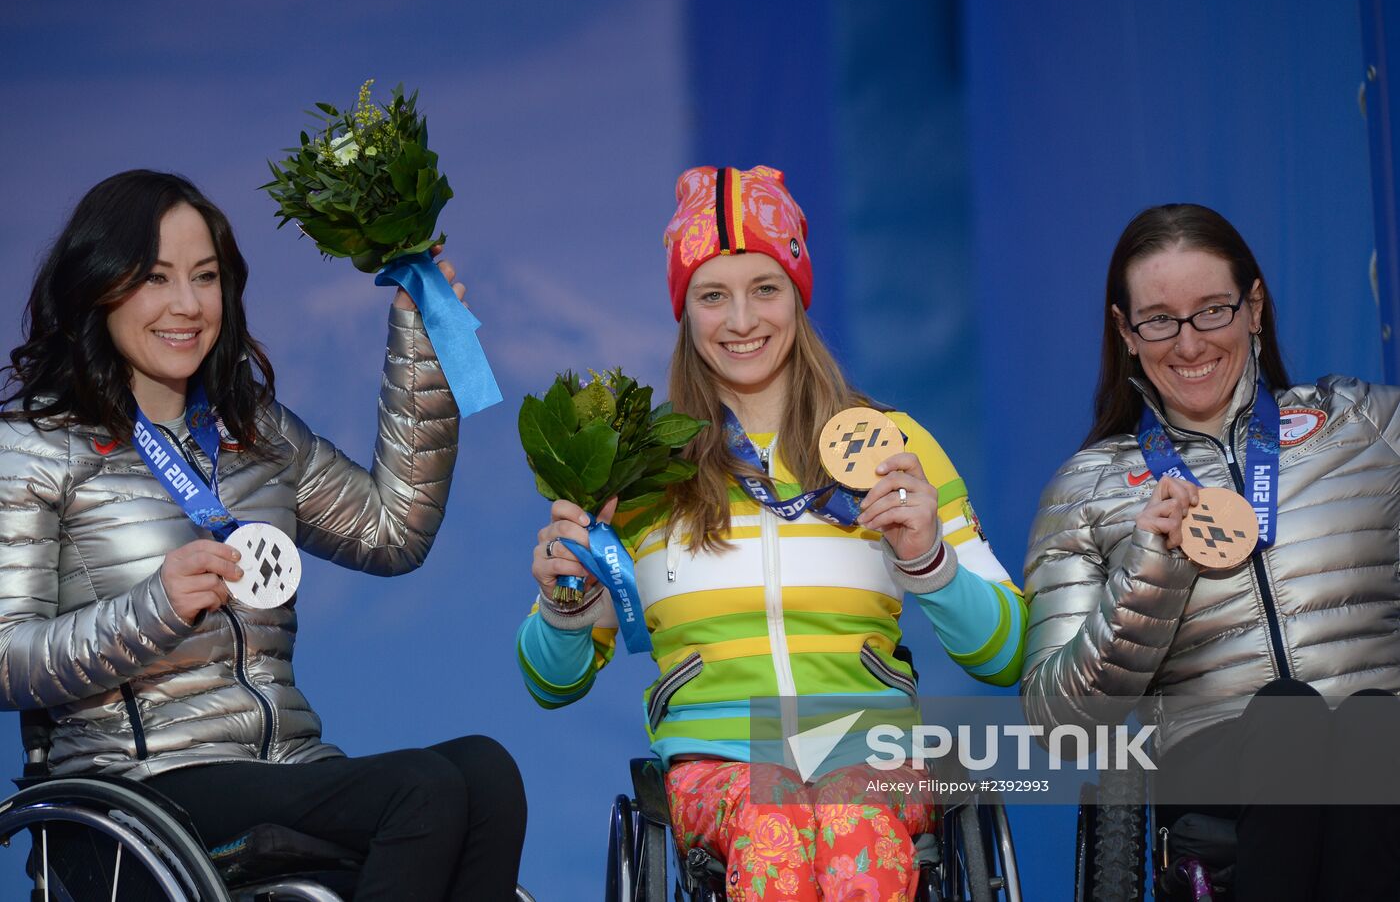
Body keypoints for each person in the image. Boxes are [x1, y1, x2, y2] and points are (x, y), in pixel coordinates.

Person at [0, 170, 525, 900]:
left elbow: (391, 531)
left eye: (206, 277)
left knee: (487, 775)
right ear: (99, 286)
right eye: (156, 277)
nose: (187, 304)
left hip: (285, 765)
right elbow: (5, 656)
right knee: (424, 789)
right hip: (140, 794)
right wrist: (154, 608)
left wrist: (423, 352)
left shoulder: (253, 430)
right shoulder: (35, 447)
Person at [519, 165, 1025, 901]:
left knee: (850, 818)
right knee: (775, 822)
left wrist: (931, 563)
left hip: (869, 754)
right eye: (712, 295)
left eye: (765, 287)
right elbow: (549, 680)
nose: (742, 319)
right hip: (718, 767)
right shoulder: (639, 472)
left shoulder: (892, 445)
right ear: (684, 311)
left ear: (798, 294)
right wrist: (565, 603)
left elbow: (1011, 650)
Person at [1020, 203, 1400, 901]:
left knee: (1373, 720)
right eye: (1160, 319)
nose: (1189, 343)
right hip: (1221, 777)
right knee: (1289, 713)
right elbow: (1059, 725)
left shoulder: (1366, 425)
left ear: (1253, 307)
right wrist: (1150, 569)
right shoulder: (1087, 490)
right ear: (1125, 332)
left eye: (1213, 310)